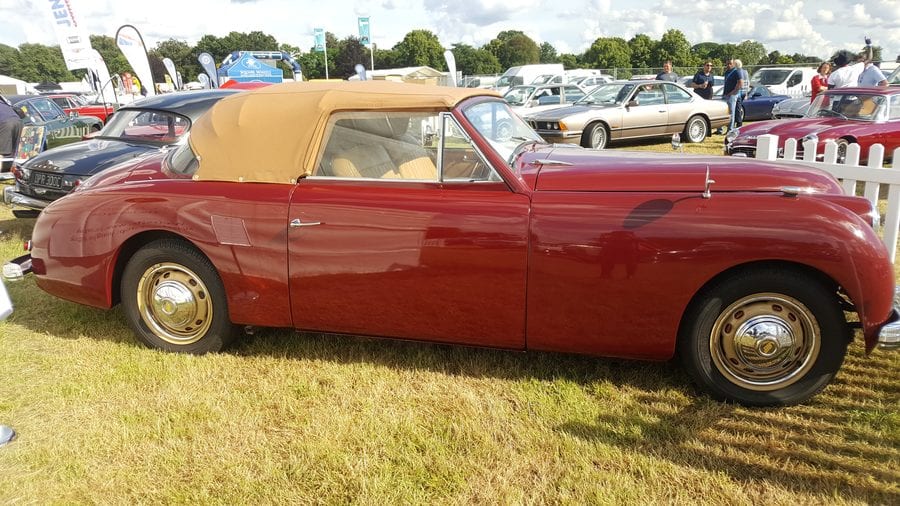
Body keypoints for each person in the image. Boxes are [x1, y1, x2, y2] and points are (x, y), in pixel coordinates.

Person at [0, 93, 24, 172]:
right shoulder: (3, 100)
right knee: (15, 151)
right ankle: (14, 172)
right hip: (18, 121)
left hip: (5, 123)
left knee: (1, 153)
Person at [722, 59, 747, 131]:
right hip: (725, 94)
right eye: (727, 64)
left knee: (731, 112)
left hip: (732, 95)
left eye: (730, 64)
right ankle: (722, 129)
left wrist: (733, 92)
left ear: (733, 64)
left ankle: (730, 129)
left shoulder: (737, 71)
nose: (728, 65)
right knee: (725, 112)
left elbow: (740, 83)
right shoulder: (727, 72)